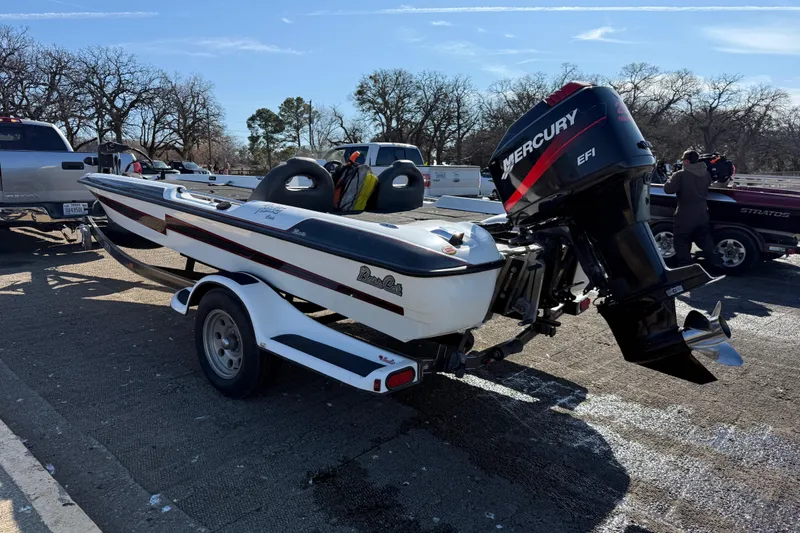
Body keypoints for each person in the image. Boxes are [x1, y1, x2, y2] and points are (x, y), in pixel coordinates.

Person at [663, 149, 722, 269]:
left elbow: (668, 189)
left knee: (681, 241)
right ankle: (717, 262)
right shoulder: (706, 173)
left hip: (685, 214)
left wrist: (671, 177)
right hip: (702, 213)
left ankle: (686, 267)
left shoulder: (681, 174)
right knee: (705, 239)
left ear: (686, 161)